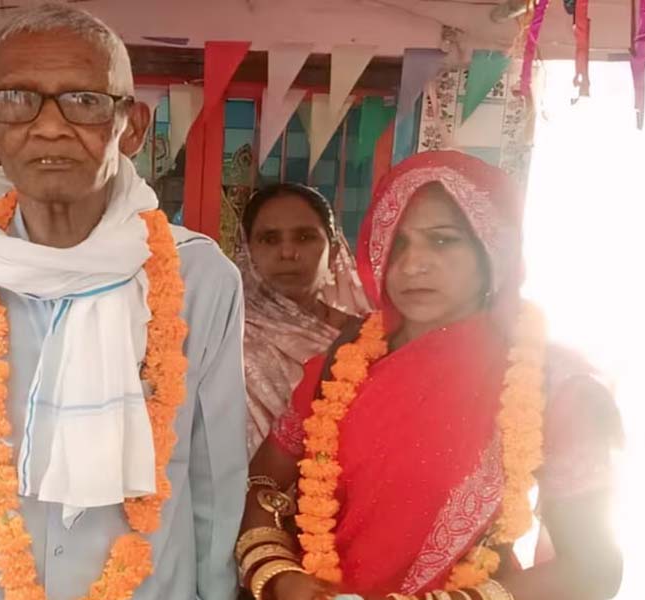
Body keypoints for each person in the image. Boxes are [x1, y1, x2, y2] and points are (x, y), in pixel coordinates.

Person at [0, 5, 247, 600]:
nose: (50, 127)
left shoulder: (201, 278)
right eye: (17, 99)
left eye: (84, 100)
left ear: (132, 127)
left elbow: (215, 478)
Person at [237, 151, 622, 600]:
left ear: (492, 247)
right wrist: (281, 577)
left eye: (442, 240)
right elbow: (261, 481)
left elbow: (593, 568)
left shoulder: (553, 387)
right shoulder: (343, 361)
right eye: (397, 242)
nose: (412, 264)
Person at [238, 183, 369, 456]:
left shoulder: (366, 336)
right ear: (248, 252)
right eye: (269, 239)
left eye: (305, 237)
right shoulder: (231, 337)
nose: (287, 253)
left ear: (334, 251)